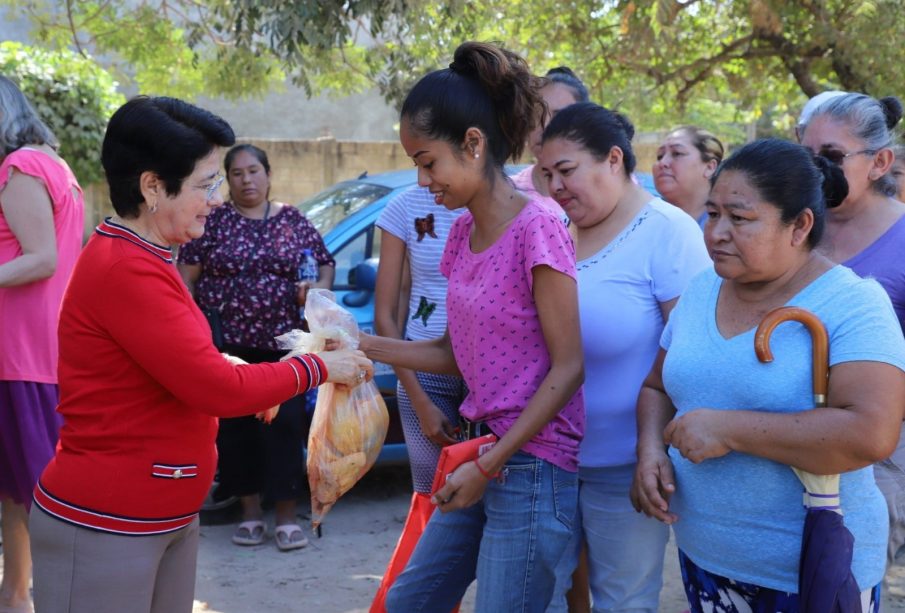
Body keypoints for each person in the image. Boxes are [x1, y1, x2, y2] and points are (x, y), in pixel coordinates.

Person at [28, 96, 372, 613]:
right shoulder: (127, 267)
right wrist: (319, 366)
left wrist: (229, 365)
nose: (217, 198)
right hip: (108, 522)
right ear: (151, 187)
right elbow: (214, 390)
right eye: (205, 184)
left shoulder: (151, 253)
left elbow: (177, 361)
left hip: (158, 516)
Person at [632, 138, 905, 611]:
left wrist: (729, 429)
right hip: (707, 559)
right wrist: (651, 448)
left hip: (810, 573)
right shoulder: (702, 290)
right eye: (713, 213)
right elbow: (657, 385)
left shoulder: (854, 304)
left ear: (799, 225)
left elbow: (870, 434)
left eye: (739, 219)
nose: (715, 232)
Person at [360, 41, 585, 613]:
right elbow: (455, 354)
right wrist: (355, 343)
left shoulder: (539, 226)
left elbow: (569, 366)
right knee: (410, 601)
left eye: (426, 160)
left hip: (532, 465)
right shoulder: (460, 233)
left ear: (474, 144)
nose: (421, 178)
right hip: (479, 451)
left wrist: (490, 464)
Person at [539, 103, 711, 612]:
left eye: (566, 171)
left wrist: (653, 449)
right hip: (547, 458)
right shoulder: (553, 230)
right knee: (539, 595)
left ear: (614, 159)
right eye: (546, 175)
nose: (555, 187)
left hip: (629, 466)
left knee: (623, 602)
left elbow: (692, 354)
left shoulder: (669, 232)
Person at [178, 143, 335, 551]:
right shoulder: (215, 221)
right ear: (228, 180)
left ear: (267, 174)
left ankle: (285, 515)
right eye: (237, 174)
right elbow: (185, 274)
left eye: (253, 171)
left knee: (285, 430)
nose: (247, 180)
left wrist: (316, 289)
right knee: (236, 431)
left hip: (283, 347)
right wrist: (193, 323)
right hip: (228, 348)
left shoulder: (293, 220)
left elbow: (325, 263)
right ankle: (249, 514)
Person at [798, 93, 905, 565]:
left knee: (844, 579)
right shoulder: (794, 231)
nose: (817, 169)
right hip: (785, 437)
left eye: (833, 157)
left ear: (880, 162)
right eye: (807, 156)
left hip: (877, 453)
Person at [0, 76, 84, 613]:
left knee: (35, 496)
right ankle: (15, 598)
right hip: (34, 351)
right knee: (18, 490)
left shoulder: (21, 167)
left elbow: (42, 258)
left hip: (19, 353)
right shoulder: (50, 162)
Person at [368, 185, 467, 612]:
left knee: (503, 509)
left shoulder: (512, 201)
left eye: (431, 159)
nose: (426, 175)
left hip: (493, 376)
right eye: (418, 161)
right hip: (426, 373)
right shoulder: (404, 206)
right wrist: (418, 396)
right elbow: (387, 315)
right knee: (433, 505)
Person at [511, 66, 590, 211]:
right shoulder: (509, 195)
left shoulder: (612, 188)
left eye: (559, 116)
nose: (545, 126)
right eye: (536, 116)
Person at [652, 125, 725, 228]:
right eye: (660, 156)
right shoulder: (639, 218)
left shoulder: (728, 223)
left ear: (709, 167)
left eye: (677, 153)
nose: (662, 162)